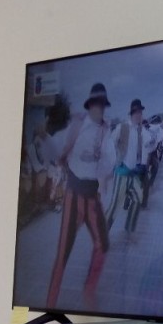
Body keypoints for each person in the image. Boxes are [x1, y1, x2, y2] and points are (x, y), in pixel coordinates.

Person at [38, 82, 117, 310]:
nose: (99, 108)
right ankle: (50, 304)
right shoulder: (77, 126)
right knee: (63, 253)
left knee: (103, 245)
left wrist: (104, 162)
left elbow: (109, 163)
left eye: (102, 105)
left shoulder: (106, 131)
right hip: (73, 196)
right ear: (90, 105)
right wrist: (44, 137)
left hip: (92, 197)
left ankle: (89, 290)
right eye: (96, 104)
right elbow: (56, 151)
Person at [106, 99, 161, 236]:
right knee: (115, 205)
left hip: (133, 173)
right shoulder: (122, 127)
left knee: (138, 198)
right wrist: (112, 160)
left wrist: (154, 140)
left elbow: (150, 144)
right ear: (132, 114)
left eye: (141, 113)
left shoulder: (141, 130)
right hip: (122, 171)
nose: (139, 115)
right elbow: (110, 144)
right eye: (137, 113)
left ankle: (129, 229)